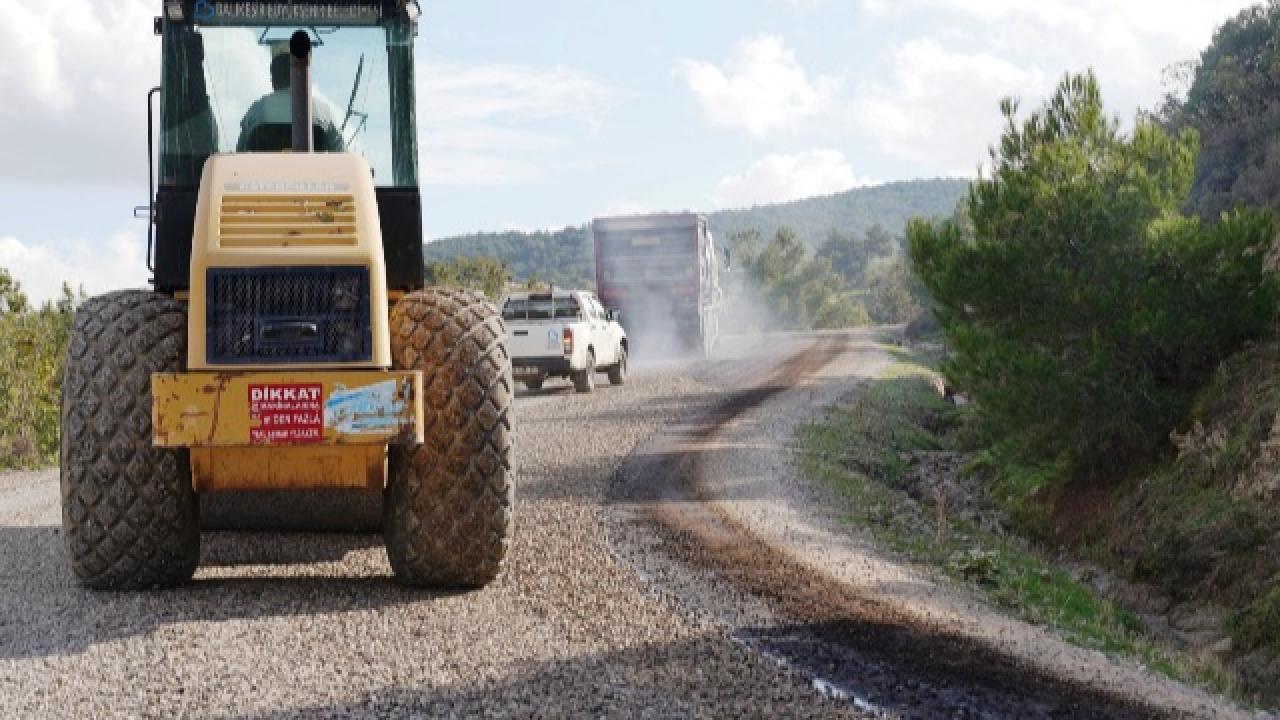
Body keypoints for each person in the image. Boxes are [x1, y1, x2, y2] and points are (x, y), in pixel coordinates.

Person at [237, 51, 343, 152]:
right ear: (300, 76)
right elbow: (341, 153)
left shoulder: (256, 110)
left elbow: (239, 153)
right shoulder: (323, 112)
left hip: (263, 171)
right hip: (313, 170)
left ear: (273, 80)